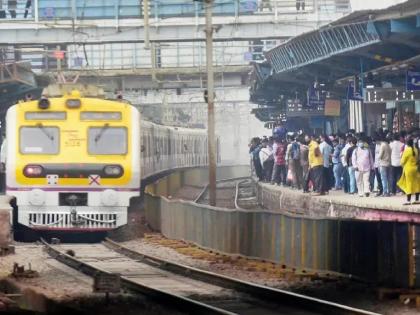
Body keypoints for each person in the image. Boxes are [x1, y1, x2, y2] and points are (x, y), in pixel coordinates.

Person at [398, 138, 420, 205]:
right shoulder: (416, 150)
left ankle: (408, 200)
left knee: (409, 184)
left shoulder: (407, 150)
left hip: (408, 169)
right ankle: (417, 199)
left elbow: (402, 161)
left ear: (407, 143)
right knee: (417, 183)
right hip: (416, 169)